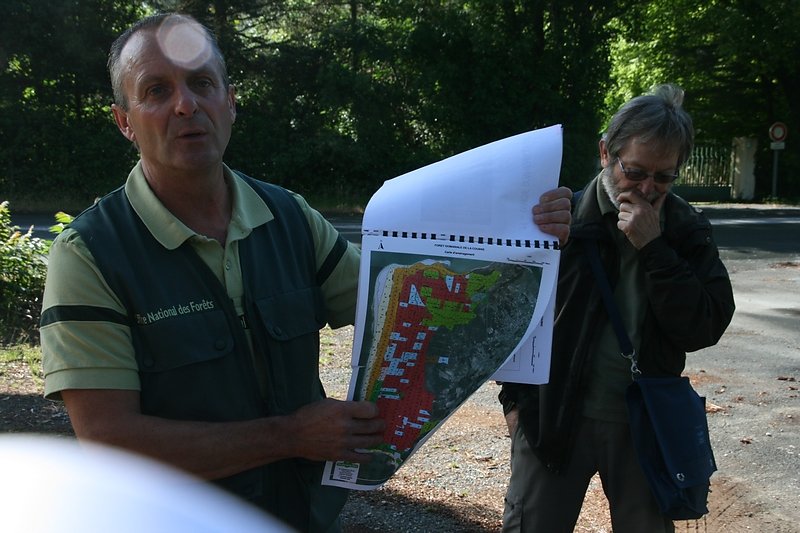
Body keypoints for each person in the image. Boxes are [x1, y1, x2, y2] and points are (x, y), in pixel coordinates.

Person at [39, 13, 572, 533]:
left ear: (230, 101)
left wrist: (525, 234)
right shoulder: (89, 254)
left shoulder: (289, 218)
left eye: (202, 83)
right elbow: (110, 443)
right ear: (125, 122)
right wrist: (290, 436)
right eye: (156, 90)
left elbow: (413, 304)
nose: (186, 105)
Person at [499, 84, 735, 533]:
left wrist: (655, 249)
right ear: (606, 152)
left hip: (645, 425)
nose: (647, 188)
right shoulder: (560, 219)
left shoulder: (685, 230)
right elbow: (506, 313)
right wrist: (515, 406)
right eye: (635, 171)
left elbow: (704, 326)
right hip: (554, 418)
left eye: (663, 177)